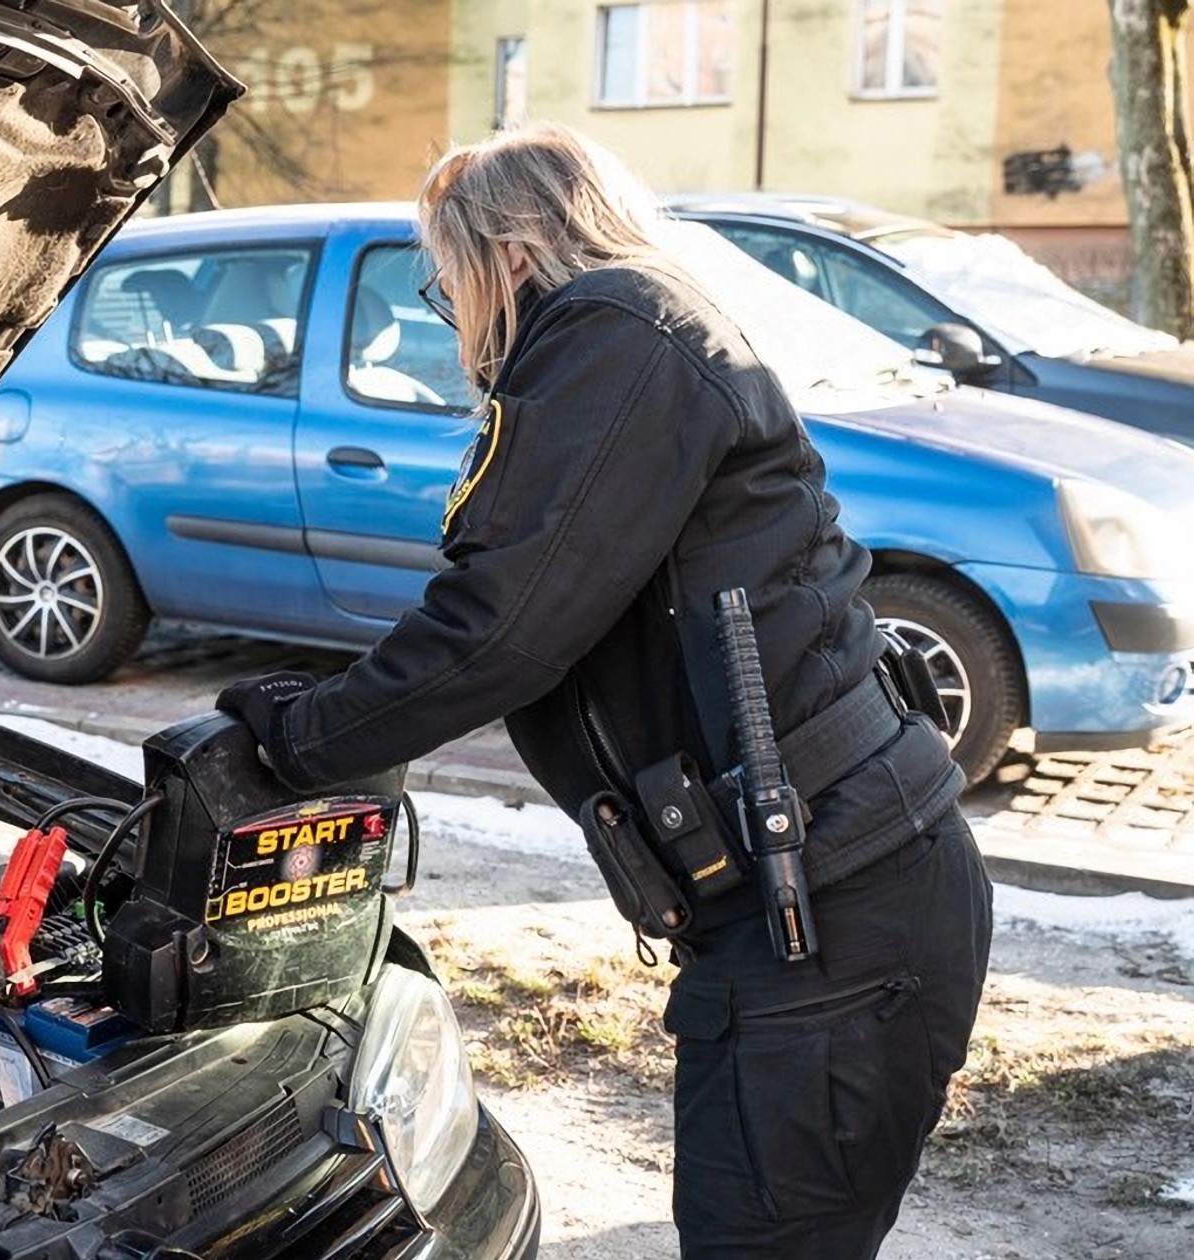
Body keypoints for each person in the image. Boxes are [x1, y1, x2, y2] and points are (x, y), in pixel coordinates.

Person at [214, 123, 993, 1259]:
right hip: (807, 905)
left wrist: (295, 735)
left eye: (449, 285)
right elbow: (540, 607)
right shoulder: (635, 336)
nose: (456, 318)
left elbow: (503, 631)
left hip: (838, 915)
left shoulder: (617, 335)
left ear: (510, 255)